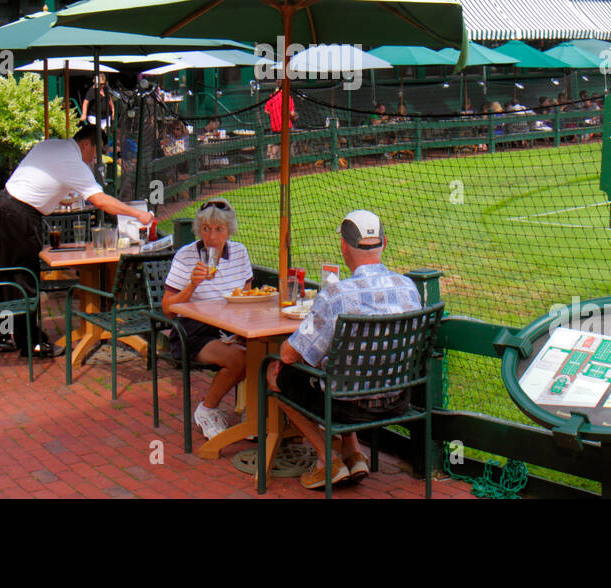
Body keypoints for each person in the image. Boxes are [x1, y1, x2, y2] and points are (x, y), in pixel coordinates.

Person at [266, 209, 422, 491]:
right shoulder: (409, 288)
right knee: (341, 366)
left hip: (346, 406)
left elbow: (290, 354)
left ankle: (328, 460)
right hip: (398, 400)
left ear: (343, 247)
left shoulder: (337, 295)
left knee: (276, 373)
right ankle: (353, 453)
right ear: (384, 243)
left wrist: (283, 351)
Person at [0, 124, 154, 357]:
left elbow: (40, 178)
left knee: (3, 272)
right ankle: (31, 344)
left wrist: (57, 197)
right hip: (21, 215)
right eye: (95, 152)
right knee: (23, 278)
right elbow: (101, 201)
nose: (94, 159)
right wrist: (138, 214)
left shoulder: (53, 145)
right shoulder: (72, 160)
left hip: (5, 205)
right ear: (86, 144)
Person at [159, 198, 252, 440]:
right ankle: (206, 410)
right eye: (205, 229)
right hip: (193, 330)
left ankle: (254, 414)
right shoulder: (187, 255)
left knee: (267, 350)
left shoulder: (240, 252)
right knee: (240, 359)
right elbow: (168, 310)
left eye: (218, 229)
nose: (211, 236)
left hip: (231, 325)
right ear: (198, 230)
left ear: (229, 230)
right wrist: (192, 284)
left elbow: (247, 293)